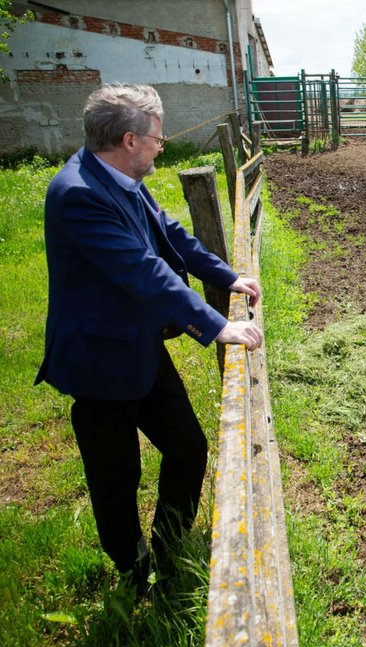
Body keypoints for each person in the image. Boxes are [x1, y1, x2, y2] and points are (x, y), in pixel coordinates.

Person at [34, 84, 263, 598]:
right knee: (117, 479)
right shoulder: (79, 195)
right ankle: (132, 570)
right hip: (99, 361)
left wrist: (225, 275)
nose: (163, 145)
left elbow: (168, 233)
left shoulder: (122, 176)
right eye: (157, 137)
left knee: (188, 447)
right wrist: (216, 325)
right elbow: (142, 270)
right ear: (130, 139)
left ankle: (168, 546)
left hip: (139, 346)